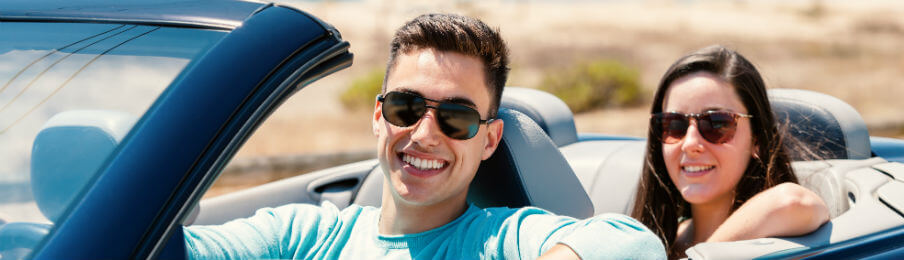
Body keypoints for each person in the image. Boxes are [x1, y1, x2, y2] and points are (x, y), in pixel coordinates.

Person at [185, 13, 665, 259]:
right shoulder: (303, 235)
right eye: (406, 107)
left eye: (456, 118)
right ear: (379, 116)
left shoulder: (503, 240)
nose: (426, 134)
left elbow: (634, 243)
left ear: (490, 140)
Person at [631, 45, 830, 259]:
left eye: (717, 124)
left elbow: (794, 202)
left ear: (757, 140)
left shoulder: (777, 235)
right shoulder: (656, 241)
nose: (690, 143)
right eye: (673, 125)